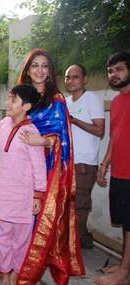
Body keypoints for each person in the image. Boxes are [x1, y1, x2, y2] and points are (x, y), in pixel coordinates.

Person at [0, 48, 85, 285]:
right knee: (7, 225)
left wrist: (44, 142)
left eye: (45, 66)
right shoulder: (19, 98)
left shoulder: (56, 99)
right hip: (12, 178)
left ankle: (28, 269)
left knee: (34, 225)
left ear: (50, 71)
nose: (40, 70)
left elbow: (64, 140)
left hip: (45, 169)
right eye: (35, 65)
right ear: (27, 69)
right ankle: (3, 266)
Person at [0, 84, 47, 285]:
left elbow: (39, 167)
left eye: (13, 100)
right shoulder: (4, 123)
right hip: (3, 194)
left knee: (21, 239)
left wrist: (38, 195)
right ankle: (5, 271)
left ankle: (18, 271)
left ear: (26, 106)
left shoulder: (31, 133)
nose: (8, 103)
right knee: (2, 237)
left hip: (24, 198)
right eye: (9, 98)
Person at [94, 51, 130, 285]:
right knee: (127, 223)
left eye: (119, 69)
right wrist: (105, 163)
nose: (113, 74)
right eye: (110, 71)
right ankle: (124, 265)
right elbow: (115, 137)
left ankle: (123, 273)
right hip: (119, 172)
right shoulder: (117, 102)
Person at [65, 64, 105, 249]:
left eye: (75, 77)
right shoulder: (65, 101)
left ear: (84, 79)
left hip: (84, 164)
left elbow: (99, 130)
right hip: (67, 162)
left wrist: (74, 120)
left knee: (79, 205)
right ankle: (80, 239)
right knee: (66, 204)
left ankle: (77, 243)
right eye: (68, 77)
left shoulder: (92, 99)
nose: (71, 80)